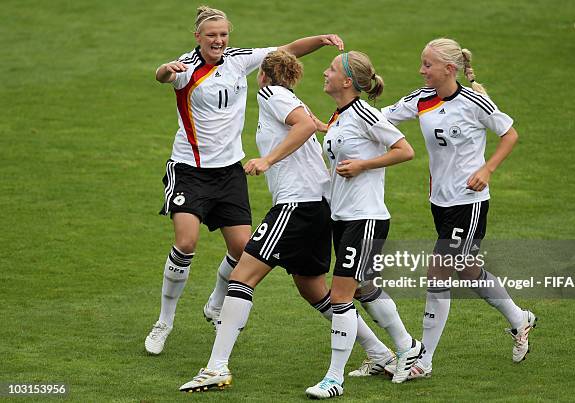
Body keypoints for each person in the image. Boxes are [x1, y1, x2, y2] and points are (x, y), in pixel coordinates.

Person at [178, 50, 394, 393]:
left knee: (242, 276)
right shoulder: (291, 99)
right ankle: (380, 351)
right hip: (316, 206)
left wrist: (267, 159)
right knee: (313, 289)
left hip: (297, 205)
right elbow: (310, 125)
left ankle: (216, 366)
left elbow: (305, 126)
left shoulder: (271, 94)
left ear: (263, 76)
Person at [144, 4, 345, 355]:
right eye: (212, 35)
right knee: (186, 242)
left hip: (229, 172)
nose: (219, 40)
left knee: (242, 249)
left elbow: (287, 51)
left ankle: (215, 304)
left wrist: (322, 39)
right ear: (198, 37)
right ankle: (164, 322)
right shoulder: (186, 68)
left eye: (223, 34)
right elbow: (163, 77)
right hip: (189, 170)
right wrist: (165, 69)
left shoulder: (239, 59)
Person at [380, 38, 537, 380]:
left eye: (427, 65)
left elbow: (509, 134)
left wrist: (487, 169)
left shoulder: (474, 102)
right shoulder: (421, 100)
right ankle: (519, 318)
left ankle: (424, 359)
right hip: (440, 203)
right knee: (466, 270)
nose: (421, 70)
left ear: (449, 69)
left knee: (438, 273)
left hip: (469, 204)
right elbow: (379, 119)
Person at [305, 51, 423, 400]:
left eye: (331, 69)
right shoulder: (342, 115)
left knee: (339, 297)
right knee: (361, 288)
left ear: (347, 81)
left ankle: (334, 378)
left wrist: (364, 165)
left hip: (365, 218)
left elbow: (405, 150)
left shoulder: (364, 113)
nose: (324, 73)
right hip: (343, 217)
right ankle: (407, 347)